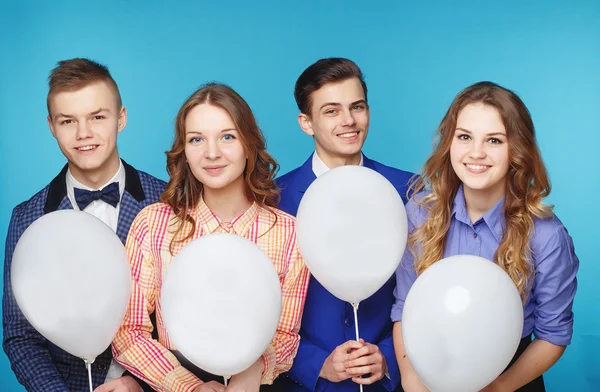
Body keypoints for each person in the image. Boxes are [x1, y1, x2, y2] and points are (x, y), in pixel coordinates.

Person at [111, 82, 310, 392]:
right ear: (184, 151)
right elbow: (129, 330)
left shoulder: (289, 233)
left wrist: (256, 370)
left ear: (248, 144)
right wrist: (188, 386)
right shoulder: (153, 226)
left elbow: (285, 335)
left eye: (227, 137)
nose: (212, 153)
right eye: (197, 139)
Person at [392, 81, 579, 392]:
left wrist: (500, 387)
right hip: (425, 371)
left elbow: (553, 335)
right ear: (449, 143)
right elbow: (404, 310)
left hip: (509, 377)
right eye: (465, 137)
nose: (476, 152)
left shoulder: (546, 235)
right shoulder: (419, 214)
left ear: (516, 150)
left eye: (494, 140)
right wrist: (413, 382)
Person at [2, 58, 166, 392]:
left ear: (121, 118)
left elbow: (194, 316)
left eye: (97, 116)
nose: (83, 134)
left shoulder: (169, 203)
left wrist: (143, 384)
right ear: (51, 126)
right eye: (68, 121)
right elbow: (20, 336)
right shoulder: (27, 217)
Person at [277, 57, 412, 392]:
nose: (349, 121)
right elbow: (258, 305)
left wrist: (389, 358)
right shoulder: (273, 199)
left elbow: (424, 292)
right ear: (306, 123)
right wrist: (314, 363)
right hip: (306, 385)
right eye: (331, 110)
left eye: (357, 107)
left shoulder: (412, 192)